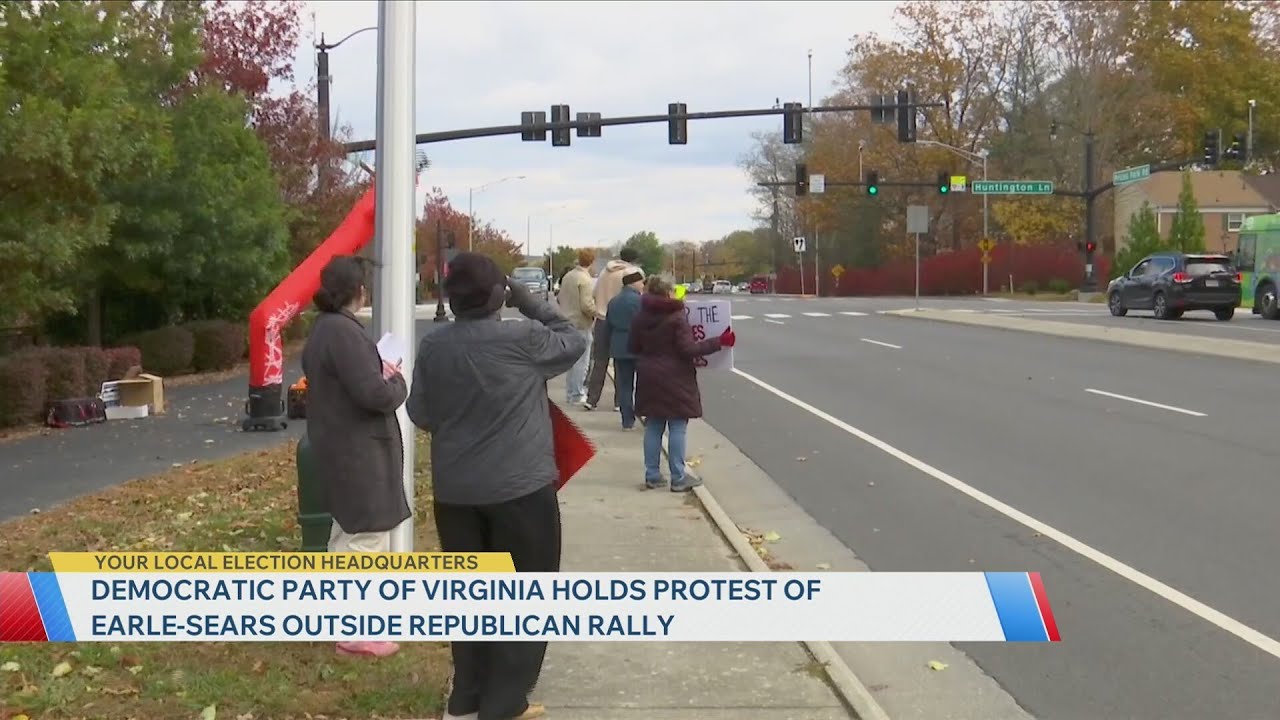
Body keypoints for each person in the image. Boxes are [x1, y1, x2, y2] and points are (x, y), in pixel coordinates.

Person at [406, 252, 586, 720]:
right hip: (521, 491)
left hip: (457, 494)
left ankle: (466, 699)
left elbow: (420, 413)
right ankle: (504, 704)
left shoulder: (434, 347)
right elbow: (574, 339)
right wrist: (531, 304)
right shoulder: (524, 337)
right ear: (498, 294)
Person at [300, 255, 408, 658]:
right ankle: (354, 628)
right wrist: (395, 380)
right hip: (358, 451)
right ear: (358, 291)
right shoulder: (344, 334)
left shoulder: (324, 330)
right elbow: (374, 394)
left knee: (346, 534)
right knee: (364, 537)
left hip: (340, 446)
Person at [629, 275, 735, 492]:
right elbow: (689, 350)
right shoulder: (677, 317)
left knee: (654, 425)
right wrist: (719, 342)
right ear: (668, 292)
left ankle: (652, 475)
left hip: (649, 375)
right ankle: (678, 477)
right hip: (675, 376)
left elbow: (632, 346)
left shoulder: (640, 316)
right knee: (677, 425)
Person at [583, 247, 640, 411]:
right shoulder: (631, 273)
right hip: (620, 321)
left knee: (600, 361)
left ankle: (592, 399)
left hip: (601, 319)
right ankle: (619, 401)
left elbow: (594, 293)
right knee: (620, 363)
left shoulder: (604, 272)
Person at [556, 249, 597, 405]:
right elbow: (586, 305)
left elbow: (560, 298)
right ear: (592, 262)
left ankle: (570, 392)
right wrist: (598, 313)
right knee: (582, 361)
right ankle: (577, 393)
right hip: (581, 323)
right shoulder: (585, 280)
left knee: (572, 361)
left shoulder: (568, 276)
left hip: (566, 322)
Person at [605, 270, 644, 430]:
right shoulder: (640, 302)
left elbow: (607, 326)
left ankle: (627, 420)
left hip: (619, 345)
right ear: (634, 283)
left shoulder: (613, 301)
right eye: (641, 282)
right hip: (639, 345)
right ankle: (643, 413)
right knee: (643, 383)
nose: (643, 285)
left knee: (624, 384)